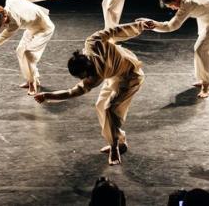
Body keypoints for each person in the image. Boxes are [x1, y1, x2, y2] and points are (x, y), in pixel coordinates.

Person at [34, 21, 154, 165]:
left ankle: (115, 147)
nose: (82, 79)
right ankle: (118, 140)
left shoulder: (94, 49)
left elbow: (116, 30)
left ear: (87, 67)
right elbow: (73, 92)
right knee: (100, 105)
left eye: (82, 76)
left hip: (130, 78)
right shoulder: (92, 68)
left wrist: (139, 25)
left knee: (110, 109)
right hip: (115, 76)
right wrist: (48, 96)